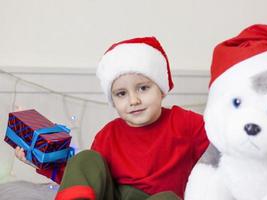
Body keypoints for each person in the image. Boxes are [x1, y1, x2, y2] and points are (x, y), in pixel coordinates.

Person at [15, 36, 209, 200]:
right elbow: (87, 181)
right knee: (85, 159)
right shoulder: (108, 135)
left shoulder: (187, 123)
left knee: (167, 198)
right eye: (121, 94)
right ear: (113, 100)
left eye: (143, 88)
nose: (134, 100)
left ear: (162, 89)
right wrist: (41, 158)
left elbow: (225, 150)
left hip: (159, 197)